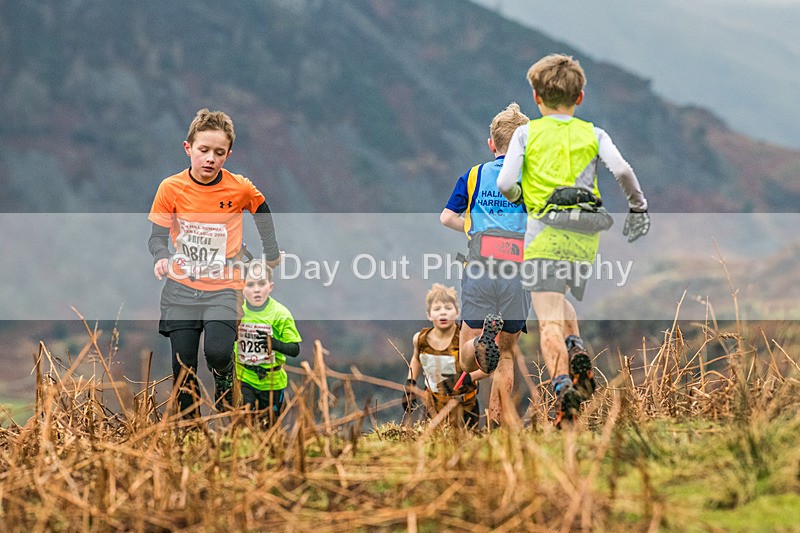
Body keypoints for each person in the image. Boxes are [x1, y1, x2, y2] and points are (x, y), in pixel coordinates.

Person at [496, 54, 650, 427]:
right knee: (559, 298)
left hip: (543, 236)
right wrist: (638, 207)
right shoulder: (594, 134)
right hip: (584, 238)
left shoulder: (525, 133)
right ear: (580, 97)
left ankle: (564, 388)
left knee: (548, 317)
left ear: (536, 97)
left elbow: (505, 182)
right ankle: (576, 346)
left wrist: (521, 198)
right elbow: (624, 170)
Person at [148, 108, 282, 418]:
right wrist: (161, 258)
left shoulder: (239, 188)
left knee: (219, 352)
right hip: (181, 288)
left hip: (225, 287)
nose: (210, 158)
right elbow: (157, 237)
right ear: (188, 148)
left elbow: (262, 211)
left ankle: (225, 382)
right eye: (203, 150)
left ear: (228, 154)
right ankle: (189, 430)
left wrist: (271, 252)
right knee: (183, 368)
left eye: (218, 153)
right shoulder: (170, 188)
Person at [439, 102, 531, 426]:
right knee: (506, 356)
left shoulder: (473, 175)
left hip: (478, 269)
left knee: (468, 354)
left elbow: (446, 217)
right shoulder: (530, 179)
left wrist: (472, 228)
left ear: (491, 144)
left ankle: (479, 344)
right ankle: (495, 430)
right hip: (516, 274)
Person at [404, 284, 481, 428]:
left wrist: (468, 378)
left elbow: (486, 368)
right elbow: (416, 359)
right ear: (429, 314)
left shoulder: (465, 340)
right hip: (433, 408)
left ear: (457, 312)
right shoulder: (420, 339)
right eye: (437, 309)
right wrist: (410, 383)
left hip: (466, 407)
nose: (443, 313)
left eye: (448, 308)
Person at [234, 261, 301, 426]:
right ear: (241, 287)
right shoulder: (236, 310)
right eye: (250, 285)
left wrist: (274, 344)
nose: (256, 289)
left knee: (269, 427)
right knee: (246, 422)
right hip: (244, 377)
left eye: (261, 284)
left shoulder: (280, 313)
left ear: (270, 286)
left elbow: (294, 349)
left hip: (272, 380)